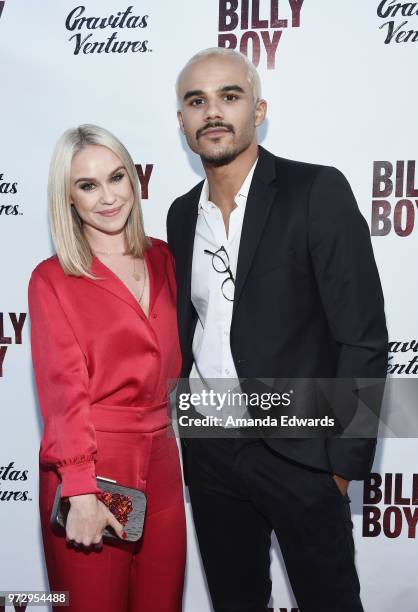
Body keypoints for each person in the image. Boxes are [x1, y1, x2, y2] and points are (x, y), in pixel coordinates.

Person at [167, 48, 388, 612]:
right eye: (197, 101)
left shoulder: (316, 191)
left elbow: (362, 338)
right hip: (211, 447)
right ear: (182, 121)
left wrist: (340, 467)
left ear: (258, 109)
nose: (212, 112)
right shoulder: (178, 214)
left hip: (301, 449)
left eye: (229, 96)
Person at [29, 124, 186, 612]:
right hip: (92, 469)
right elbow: (63, 395)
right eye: (87, 185)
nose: (107, 197)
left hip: (162, 462)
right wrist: (79, 491)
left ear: (133, 181)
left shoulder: (164, 257)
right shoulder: (52, 279)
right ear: (68, 198)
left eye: (116, 178)